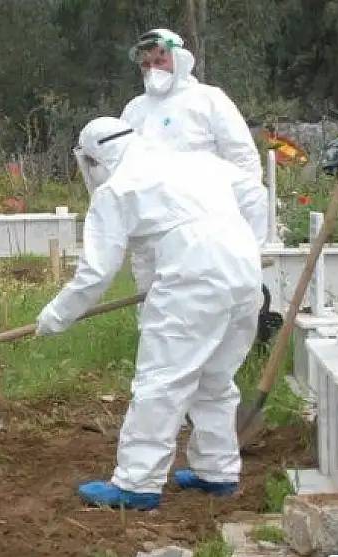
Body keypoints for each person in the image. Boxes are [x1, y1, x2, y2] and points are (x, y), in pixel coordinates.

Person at [37, 117, 264, 510]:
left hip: (193, 277)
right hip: (244, 269)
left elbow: (96, 272)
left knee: (162, 381)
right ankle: (217, 471)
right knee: (215, 378)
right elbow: (254, 193)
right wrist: (248, 245)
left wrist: (56, 315)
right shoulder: (193, 162)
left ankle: (137, 483)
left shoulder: (118, 189)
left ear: (93, 159)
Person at [120, 28, 264, 295]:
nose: (153, 70)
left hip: (206, 224)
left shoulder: (209, 100)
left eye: (160, 60)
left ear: (180, 57)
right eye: (146, 64)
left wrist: (245, 225)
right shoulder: (134, 111)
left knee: (205, 298)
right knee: (156, 304)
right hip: (154, 227)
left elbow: (243, 159)